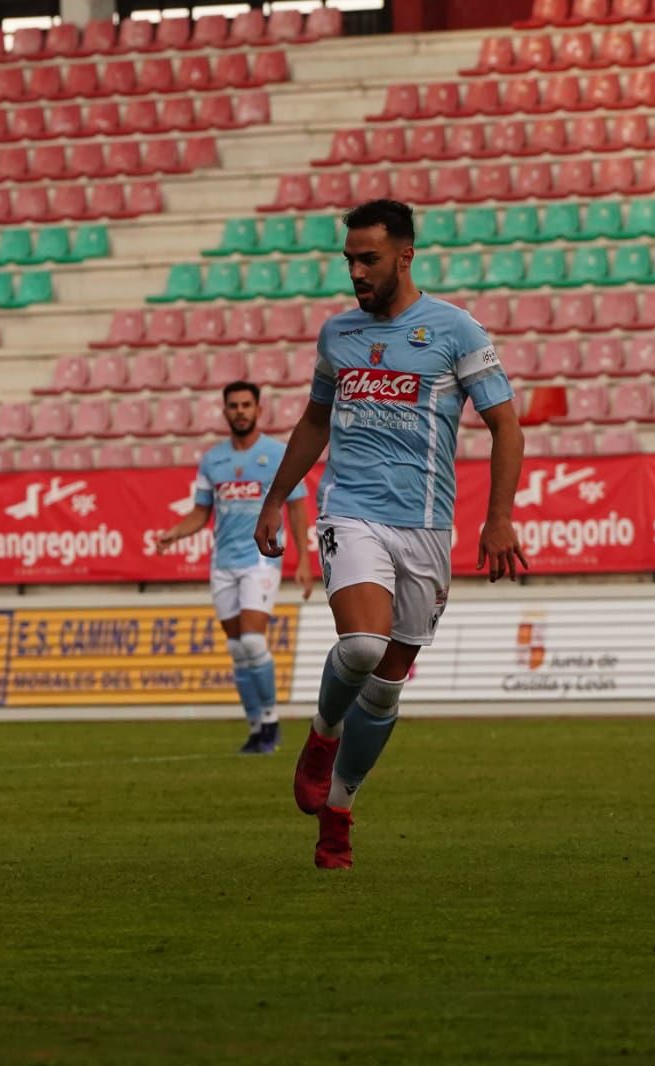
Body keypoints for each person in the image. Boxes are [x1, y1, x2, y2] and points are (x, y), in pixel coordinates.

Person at [253, 198, 526, 869]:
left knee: (387, 683)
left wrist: (498, 518)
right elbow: (315, 421)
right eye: (349, 260)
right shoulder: (337, 334)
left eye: (368, 259)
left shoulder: (456, 331)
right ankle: (321, 735)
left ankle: (339, 811)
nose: (355, 272)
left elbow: (507, 425)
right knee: (363, 646)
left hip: (427, 527)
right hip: (351, 510)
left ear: (405, 256)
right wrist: (276, 497)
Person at [157, 381, 313, 754]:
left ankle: (272, 721)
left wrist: (304, 559)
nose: (240, 411)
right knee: (238, 648)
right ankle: (256, 726)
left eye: (246, 405)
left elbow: (296, 505)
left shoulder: (277, 454)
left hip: (260, 558)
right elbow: (200, 513)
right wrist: (174, 535)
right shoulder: (213, 460)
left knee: (253, 639)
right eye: (234, 405)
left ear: (259, 410)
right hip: (223, 563)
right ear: (225, 411)